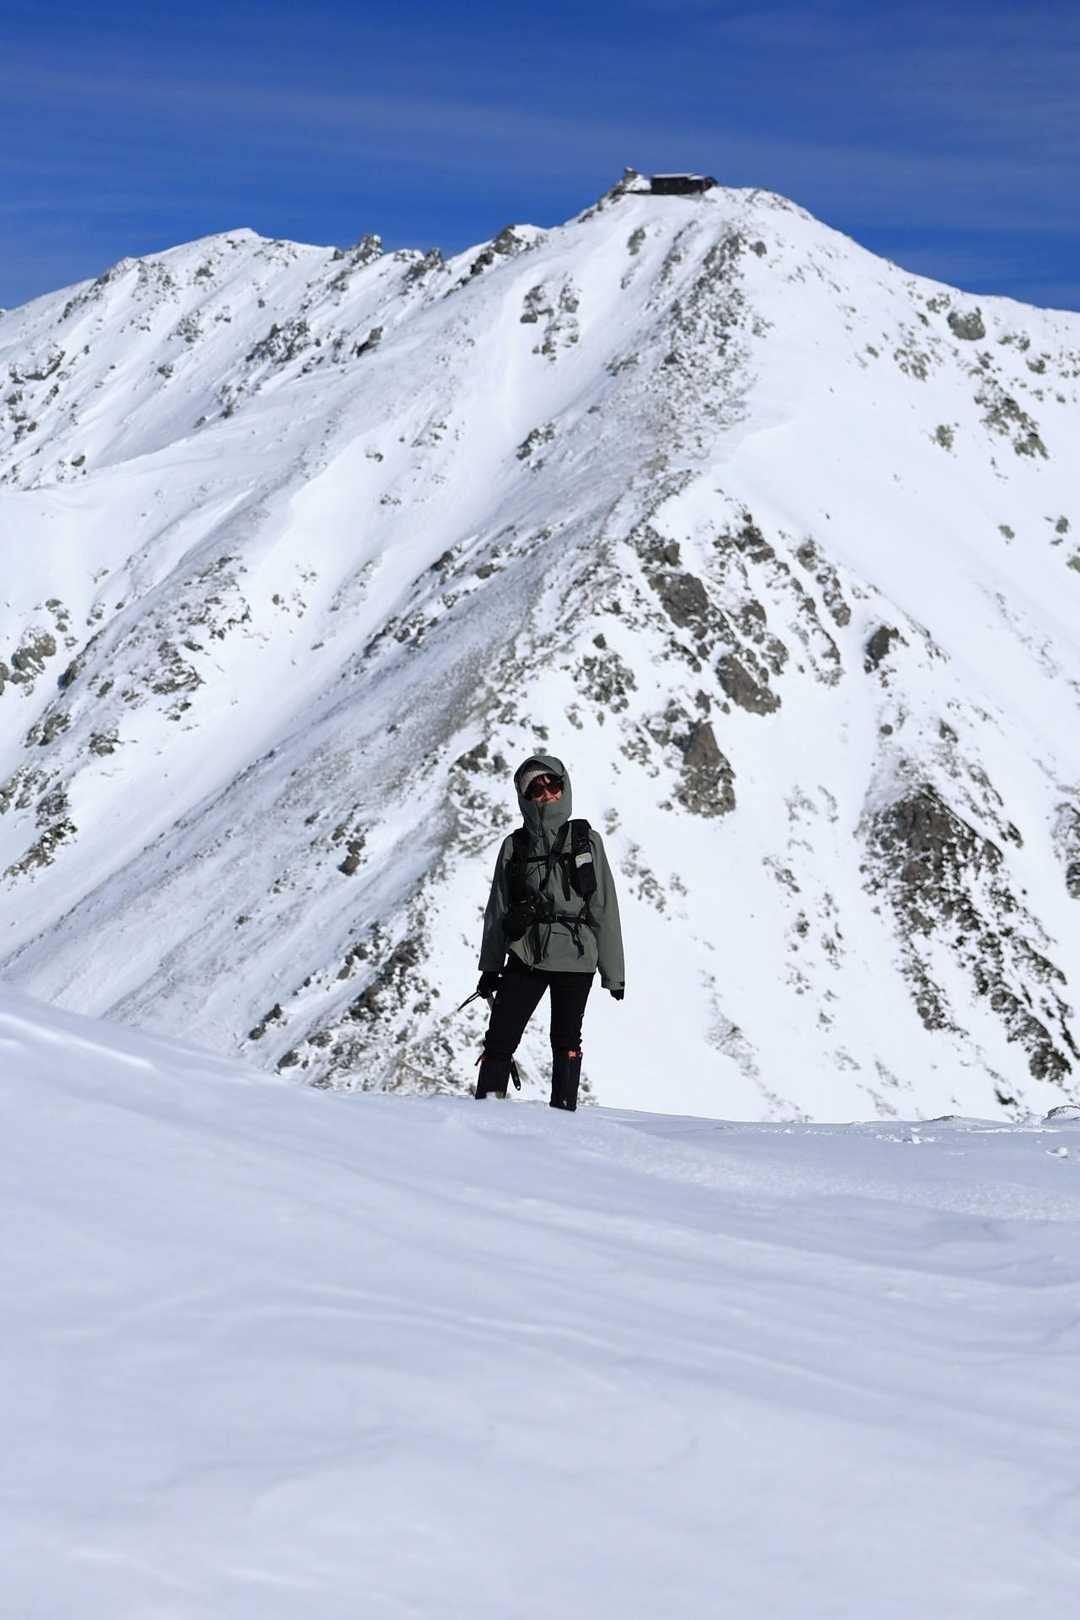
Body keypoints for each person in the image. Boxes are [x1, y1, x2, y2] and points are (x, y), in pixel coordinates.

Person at [474, 753, 624, 1109]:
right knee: (500, 1039)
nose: (545, 794)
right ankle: (484, 1113)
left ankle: (561, 1120)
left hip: (574, 954)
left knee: (566, 1041)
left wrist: (614, 974)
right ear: (524, 798)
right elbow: (498, 909)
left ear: (564, 786)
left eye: (552, 784)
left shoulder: (587, 841)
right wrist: (490, 967)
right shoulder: (514, 845)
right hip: (528, 952)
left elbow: (604, 907)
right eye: (535, 789)